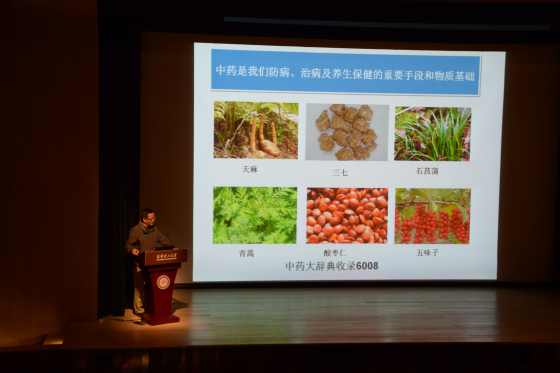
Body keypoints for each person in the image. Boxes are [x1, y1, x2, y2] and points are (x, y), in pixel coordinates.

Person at [125, 208, 175, 315]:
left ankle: (149, 308)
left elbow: (163, 240)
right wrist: (132, 249)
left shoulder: (154, 229)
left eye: (154, 218)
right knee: (139, 286)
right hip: (139, 263)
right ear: (144, 220)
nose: (153, 220)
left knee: (150, 286)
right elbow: (128, 245)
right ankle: (139, 310)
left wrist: (172, 248)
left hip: (152, 263)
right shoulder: (135, 230)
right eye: (151, 219)